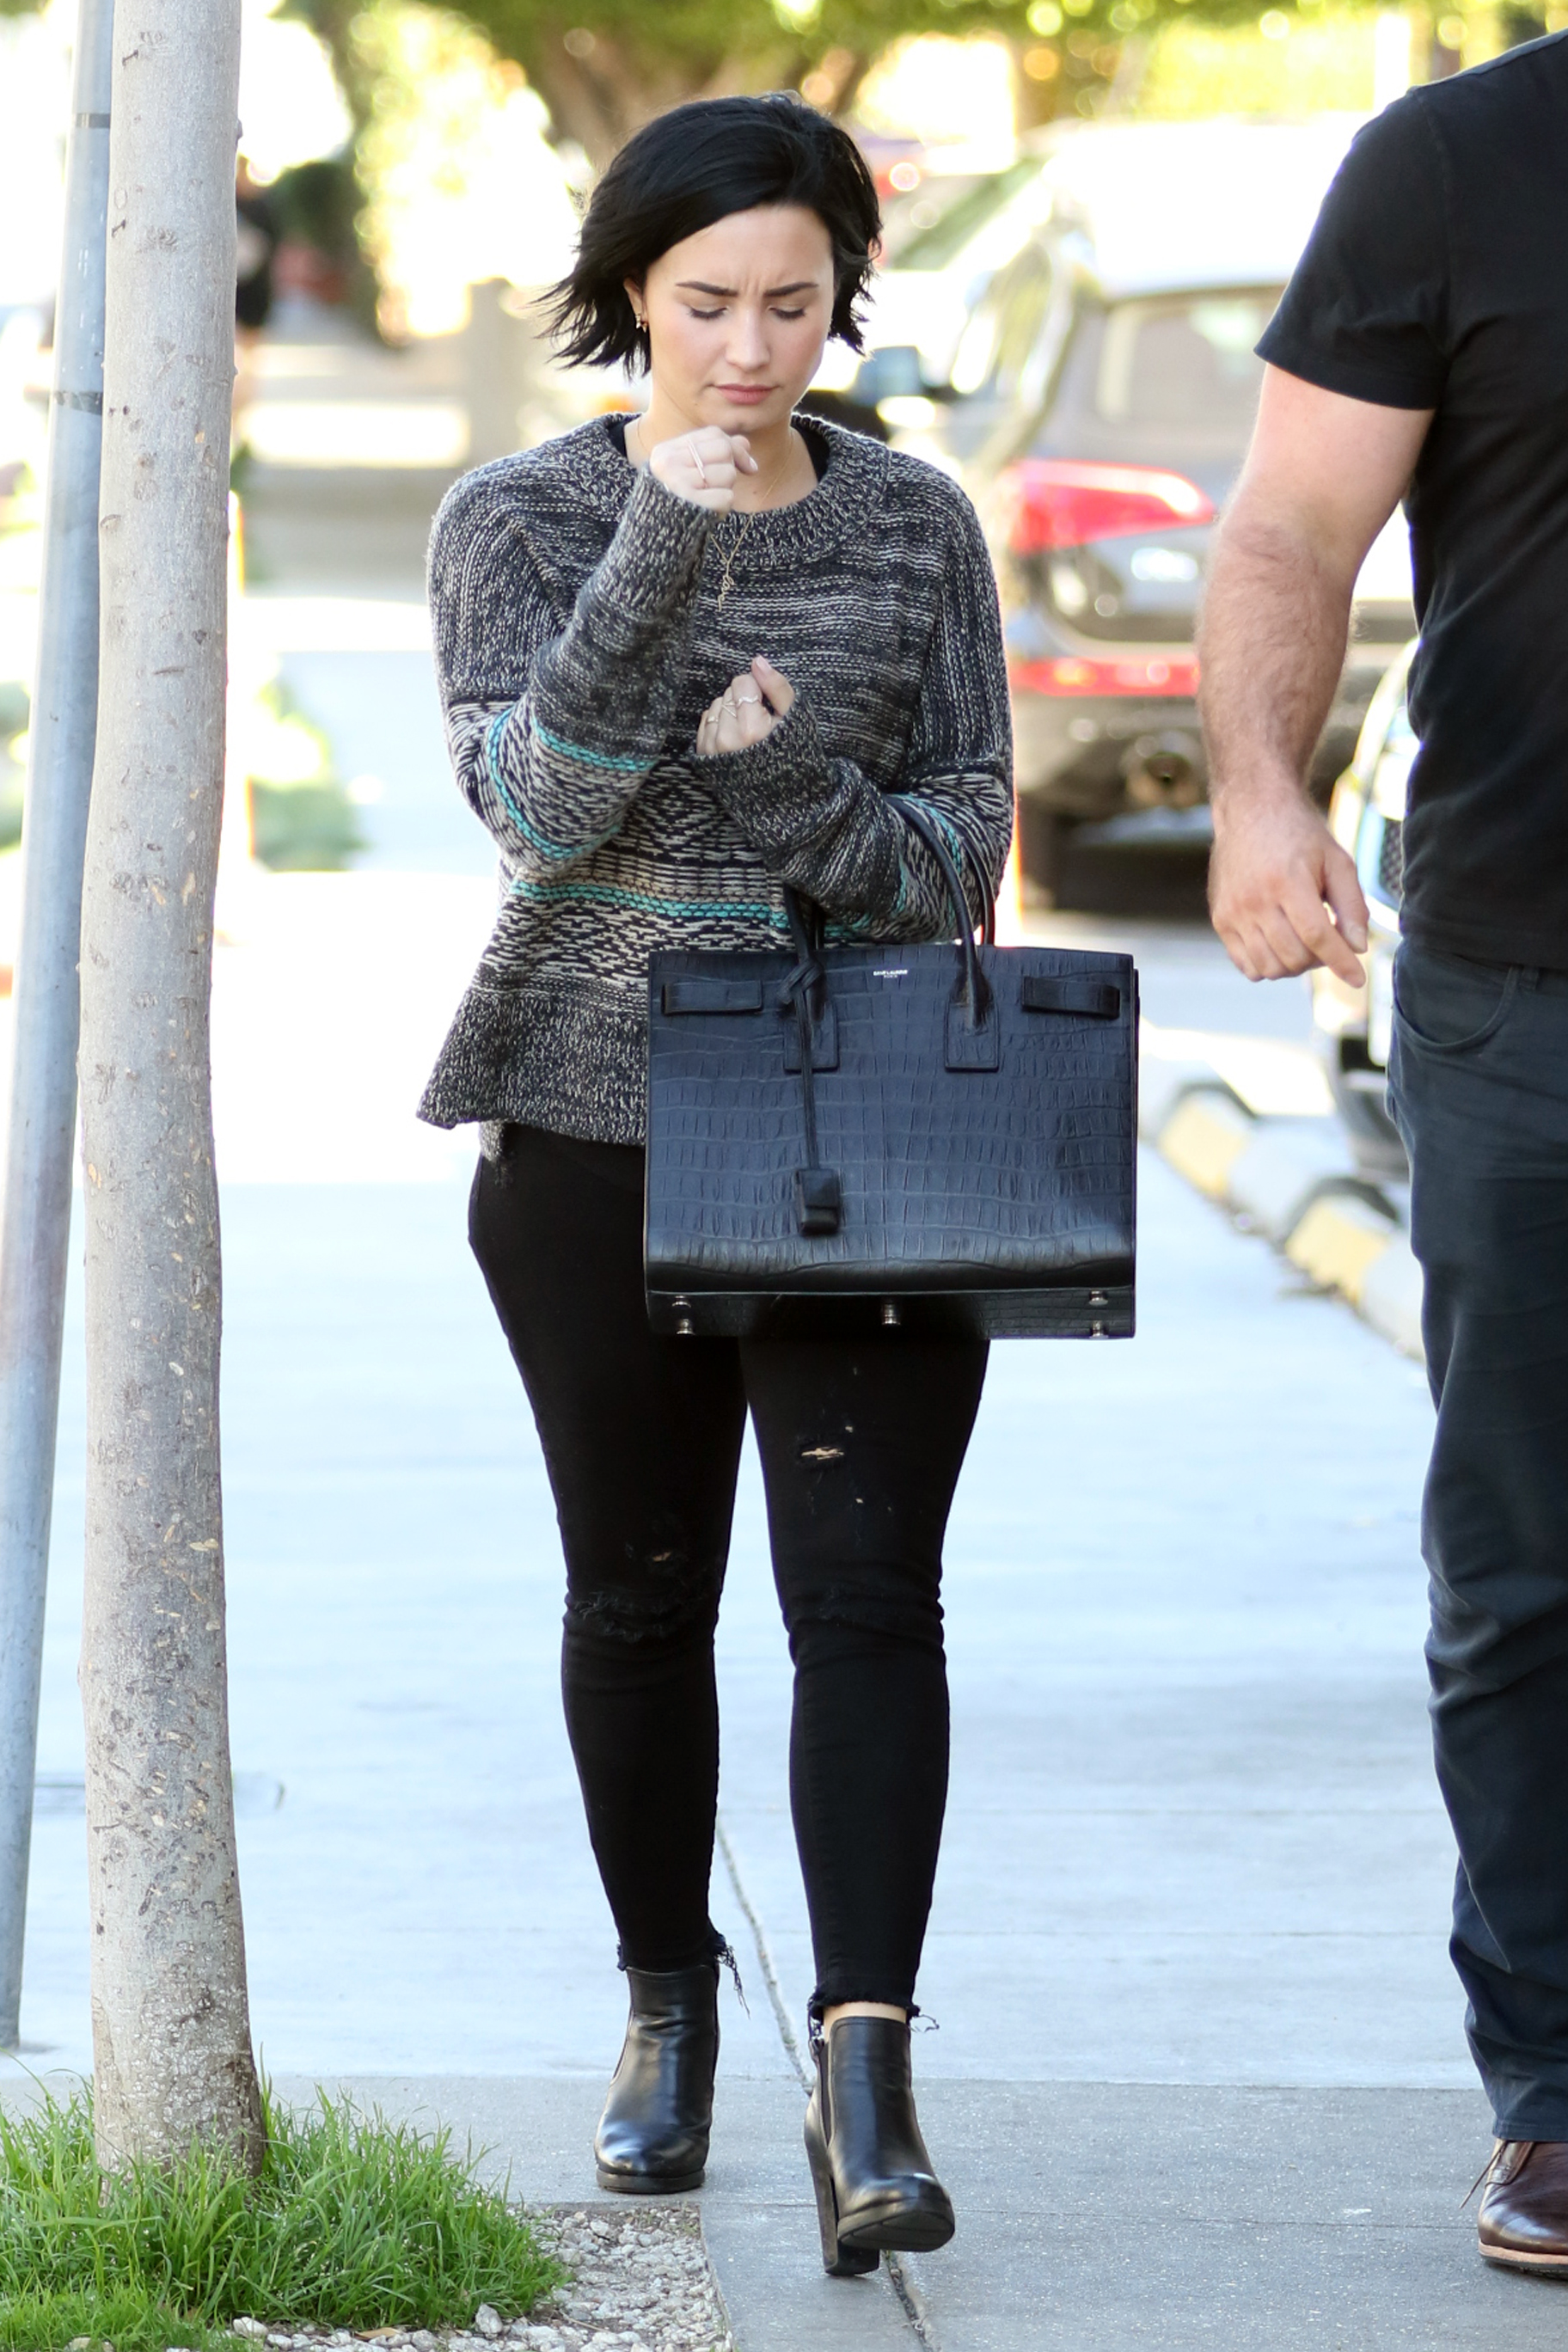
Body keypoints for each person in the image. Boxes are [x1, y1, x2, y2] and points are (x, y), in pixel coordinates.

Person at [418, 94, 1012, 2275]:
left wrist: (786, 795)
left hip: (866, 1137)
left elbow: (960, 848)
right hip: (590, 1133)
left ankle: (869, 2079)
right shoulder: (517, 519)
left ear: (845, 297)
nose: (752, 349)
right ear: (630, 296)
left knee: (866, 1604)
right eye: (706, 305)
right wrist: (663, 547)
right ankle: (668, 2009)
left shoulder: (915, 525)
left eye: (793, 302)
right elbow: (540, 811)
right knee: (640, 1596)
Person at [1197, 34, 1568, 2279]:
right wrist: (1260, 791)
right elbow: (1291, 528)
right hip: (1532, 978)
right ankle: (1558, 2098)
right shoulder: (1455, 165)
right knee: (1529, 1567)